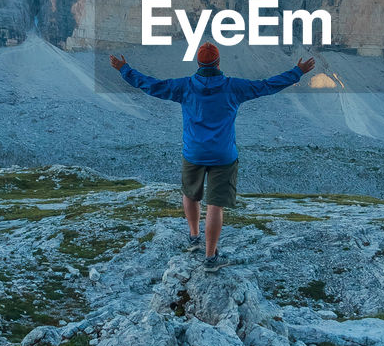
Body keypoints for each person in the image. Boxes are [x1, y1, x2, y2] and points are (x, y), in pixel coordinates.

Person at [109, 43, 315, 272]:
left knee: (190, 193)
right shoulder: (233, 87)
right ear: (218, 63)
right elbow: (266, 86)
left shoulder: (184, 86)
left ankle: (194, 236)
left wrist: (124, 69)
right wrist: (298, 72)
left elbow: (151, 85)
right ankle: (210, 258)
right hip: (223, 155)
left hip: (194, 152)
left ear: (198, 63)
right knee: (215, 206)